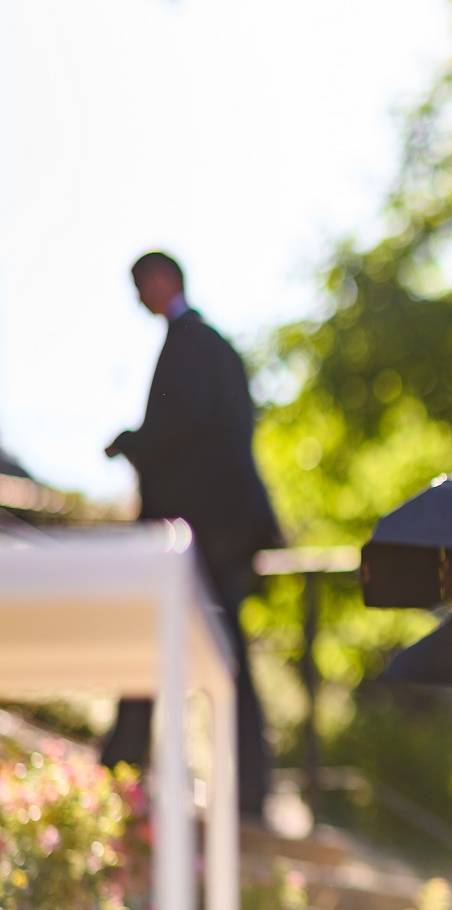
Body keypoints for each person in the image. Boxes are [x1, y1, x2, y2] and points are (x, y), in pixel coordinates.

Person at [102, 251, 281, 820]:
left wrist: (131, 443)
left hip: (200, 532)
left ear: (164, 280)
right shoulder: (209, 345)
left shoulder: (192, 343)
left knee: (207, 652)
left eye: (140, 284)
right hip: (210, 530)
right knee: (181, 648)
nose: (136, 297)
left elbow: (187, 428)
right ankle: (129, 767)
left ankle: (130, 770)